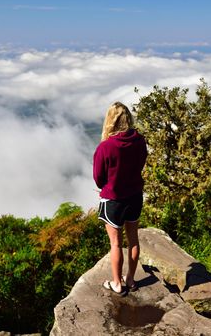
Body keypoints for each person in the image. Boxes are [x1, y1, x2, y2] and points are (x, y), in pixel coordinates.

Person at [93, 102, 147, 296]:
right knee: (133, 240)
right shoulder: (140, 140)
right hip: (135, 196)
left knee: (116, 243)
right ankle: (131, 279)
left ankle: (117, 283)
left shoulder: (105, 147)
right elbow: (141, 162)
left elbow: (99, 178)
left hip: (114, 200)